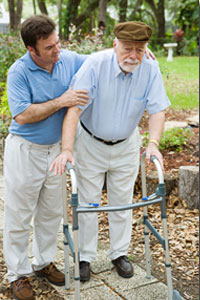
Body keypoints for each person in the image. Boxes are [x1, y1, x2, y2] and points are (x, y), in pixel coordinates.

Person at [50, 21, 170, 282]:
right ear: (114, 45)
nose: (133, 56)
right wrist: (67, 149)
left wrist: (153, 143)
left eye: (140, 50)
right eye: (128, 48)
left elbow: (158, 109)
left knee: (122, 202)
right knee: (88, 202)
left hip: (126, 144)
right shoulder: (95, 65)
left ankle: (119, 253)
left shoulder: (150, 67)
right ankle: (85, 257)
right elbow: (74, 110)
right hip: (91, 143)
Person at [3, 14, 90, 300]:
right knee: (18, 215)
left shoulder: (67, 59)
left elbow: (99, 60)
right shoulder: (18, 72)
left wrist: (133, 49)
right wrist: (62, 101)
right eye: (49, 48)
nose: (57, 51)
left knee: (51, 214)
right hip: (25, 150)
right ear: (32, 50)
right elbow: (23, 115)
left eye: (57, 43)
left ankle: (42, 263)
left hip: (56, 151)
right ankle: (17, 274)